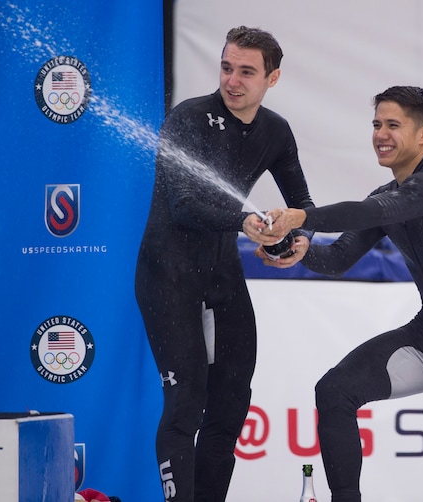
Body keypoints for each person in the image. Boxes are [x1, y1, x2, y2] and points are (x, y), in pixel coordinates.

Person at [244, 86, 423, 501]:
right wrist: (300, 251)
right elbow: (337, 258)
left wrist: (302, 216)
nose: (381, 134)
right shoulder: (387, 194)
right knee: (334, 391)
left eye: (393, 125)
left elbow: (376, 211)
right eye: (376, 124)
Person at [134, 26, 314, 501]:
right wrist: (245, 220)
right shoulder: (188, 118)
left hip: (221, 275)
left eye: (247, 72)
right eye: (226, 67)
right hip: (167, 272)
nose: (232, 81)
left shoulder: (275, 130)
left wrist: (299, 238)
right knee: (185, 404)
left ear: (272, 78)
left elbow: (302, 203)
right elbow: (183, 202)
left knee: (231, 406)